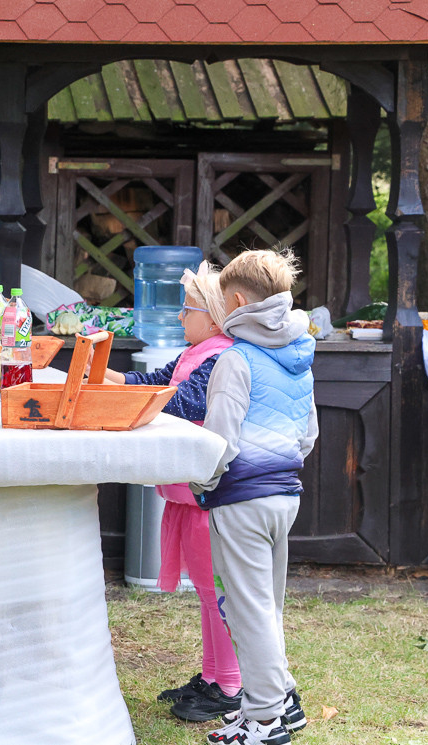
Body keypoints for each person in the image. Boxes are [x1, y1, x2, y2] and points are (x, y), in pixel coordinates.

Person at [103, 262, 242, 722]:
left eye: (188, 309)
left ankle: (231, 686)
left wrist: (126, 396)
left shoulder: (221, 357)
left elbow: (179, 403)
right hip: (186, 494)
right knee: (206, 592)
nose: (180, 317)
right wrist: (107, 379)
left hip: (207, 495)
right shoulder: (195, 351)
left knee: (217, 595)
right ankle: (212, 675)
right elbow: (153, 383)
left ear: (216, 316)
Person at [190, 248, 318, 745]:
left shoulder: (235, 359)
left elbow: (219, 442)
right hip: (285, 494)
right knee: (265, 606)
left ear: (238, 300)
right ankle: (280, 702)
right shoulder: (299, 357)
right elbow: (307, 436)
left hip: (240, 497)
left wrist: (203, 483)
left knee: (248, 610)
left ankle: (265, 720)